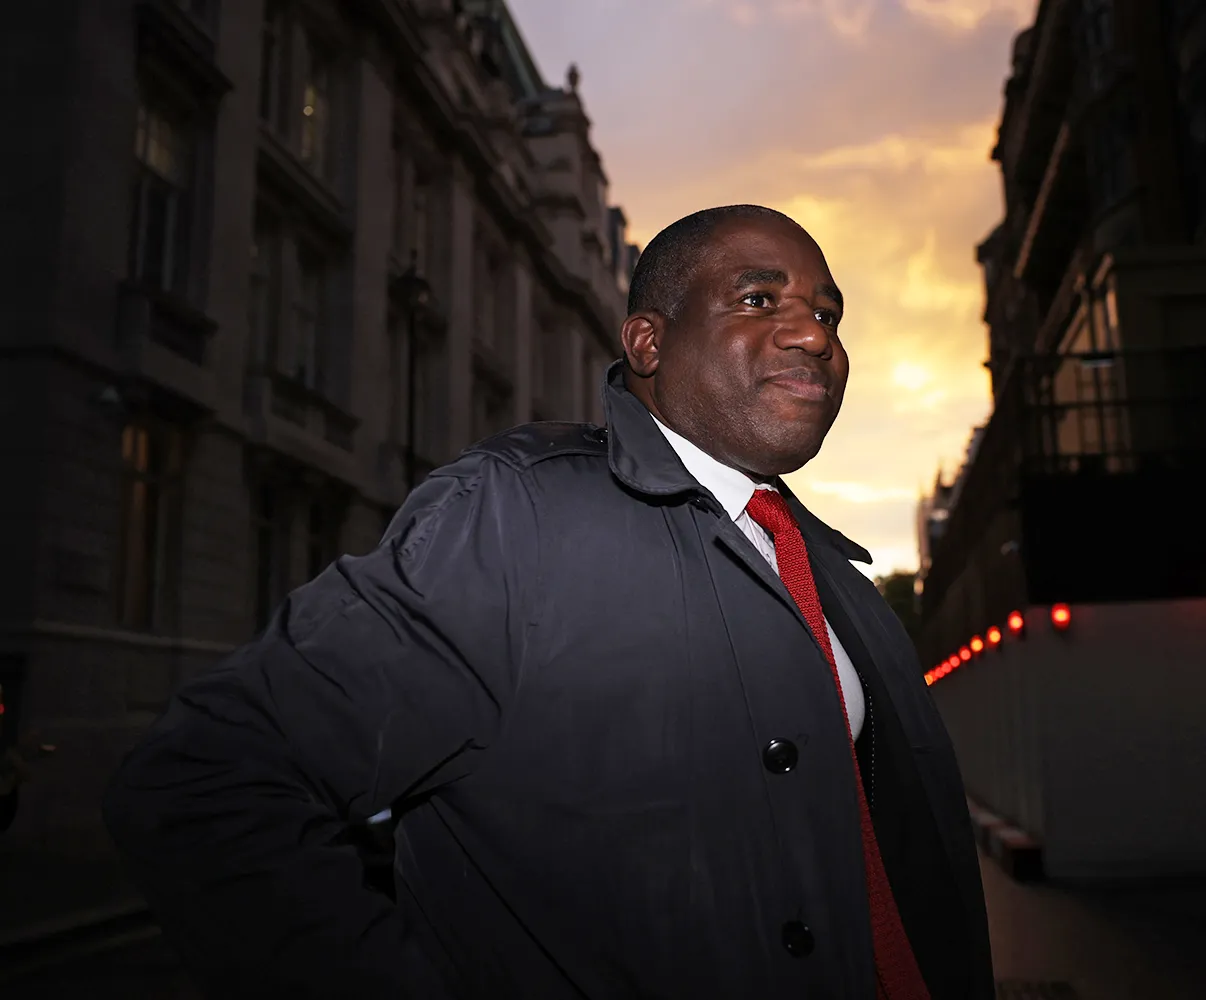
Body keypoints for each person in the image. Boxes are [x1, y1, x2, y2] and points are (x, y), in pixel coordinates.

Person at [103, 205, 992, 999]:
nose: (814, 334)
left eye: (828, 312)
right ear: (648, 343)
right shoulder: (512, 515)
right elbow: (204, 782)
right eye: (760, 301)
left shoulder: (840, 577)